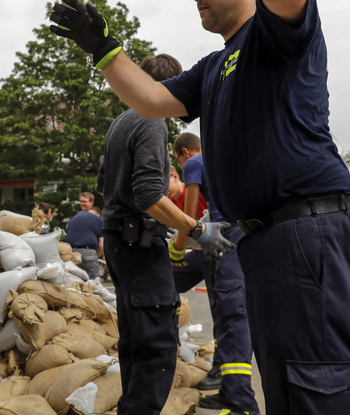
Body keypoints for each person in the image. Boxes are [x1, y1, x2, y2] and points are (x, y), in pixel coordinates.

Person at [50, 0, 350, 414]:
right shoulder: (215, 65)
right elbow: (153, 99)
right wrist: (104, 49)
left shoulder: (277, 34)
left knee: (320, 385)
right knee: (288, 385)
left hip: (309, 231)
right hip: (265, 240)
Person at [92, 54, 234, 415]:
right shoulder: (152, 121)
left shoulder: (120, 123)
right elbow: (146, 195)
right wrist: (198, 229)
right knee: (155, 348)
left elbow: (105, 186)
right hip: (139, 245)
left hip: (120, 243)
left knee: (135, 344)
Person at [169, 133, 259, 415]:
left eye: (178, 160)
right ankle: (229, 391)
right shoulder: (220, 161)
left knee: (233, 319)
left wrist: (177, 248)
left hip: (226, 241)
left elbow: (190, 215)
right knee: (224, 317)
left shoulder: (194, 162)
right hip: (231, 239)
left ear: (183, 152)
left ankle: (242, 404)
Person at [62, 192, 104, 280]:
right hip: (88, 253)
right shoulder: (97, 219)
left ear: (91, 202)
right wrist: (96, 255)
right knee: (93, 285)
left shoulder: (75, 218)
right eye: (81, 201)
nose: (82, 204)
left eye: (84, 202)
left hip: (71, 254)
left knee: (76, 284)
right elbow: (102, 245)